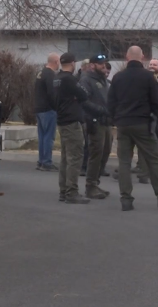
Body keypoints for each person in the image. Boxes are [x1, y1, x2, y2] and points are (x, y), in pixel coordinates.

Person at [107, 46, 158, 211]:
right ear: (143, 57)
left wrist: (116, 118)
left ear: (126, 57)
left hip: (123, 124)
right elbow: (156, 101)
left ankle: (126, 199)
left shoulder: (118, 77)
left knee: (124, 162)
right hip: (143, 123)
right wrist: (154, 116)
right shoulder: (148, 77)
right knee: (153, 160)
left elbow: (111, 102)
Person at [54, 53, 107, 204]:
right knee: (75, 157)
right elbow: (83, 95)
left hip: (62, 119)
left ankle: (64, 190)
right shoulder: (70, 79)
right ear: (73, 63)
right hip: (72, 121)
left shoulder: (56, 78)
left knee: (65, 157)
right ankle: (72, 192)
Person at [78, 54, 113, 199]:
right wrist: (101, 110)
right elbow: (83, 101)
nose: (104, 66)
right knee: (96, 153)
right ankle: (90, 186)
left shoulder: (103, 80)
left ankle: (96, 183)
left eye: (104, 63)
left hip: (106, 121)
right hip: (94, 121)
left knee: (105, 152)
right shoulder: (86, 80)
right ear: (92, 65)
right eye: (100, 64)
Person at [34, 53, 60, 172]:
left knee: (42, 136)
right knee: (49, 137)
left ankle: (41, 161)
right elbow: (52, 93)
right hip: (48, 109)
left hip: (39, 109)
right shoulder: (50, 75)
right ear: (55, 62)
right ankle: (46, 162)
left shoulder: (40, 73)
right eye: (58, 62)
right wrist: (56, 106)